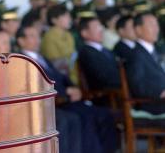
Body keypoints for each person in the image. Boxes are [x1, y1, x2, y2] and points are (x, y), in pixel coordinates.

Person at [17, 24, 118, 153]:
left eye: (38, 36)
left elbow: (61, 77)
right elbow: (37, 85)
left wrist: (73, 88)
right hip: (54, 101)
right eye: (32, 36)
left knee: (102, 113)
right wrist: (65, 93)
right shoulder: (22, 61)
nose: (37, 40)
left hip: (66, 98)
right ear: (21, 40)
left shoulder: (42, 58)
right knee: (80, 118)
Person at [125, 12, 165, 115]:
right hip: (153, 104)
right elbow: (138, 86)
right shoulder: (135, 55)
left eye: (156, 25)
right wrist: (160, 92)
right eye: (151, 25)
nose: (156, 29)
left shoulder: (156, 51)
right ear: (138, 30)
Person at [78, 15, 121, 90]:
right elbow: (103, 78)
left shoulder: (105, 49)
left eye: (101, 26)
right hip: (109, 94)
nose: (101, 30)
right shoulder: (87, 53)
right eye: (96, 27)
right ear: (84, 33)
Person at [40, 4, 77, 82]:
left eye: (69, 16)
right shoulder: (49, 37)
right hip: (61, 80)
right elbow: (55, 64)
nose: (69, 19)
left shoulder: (68, 34)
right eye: (65, 16)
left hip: (74, 76)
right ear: (54, 20)